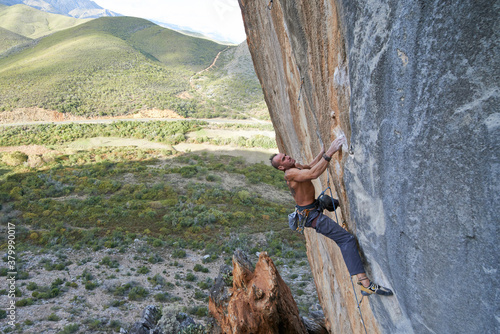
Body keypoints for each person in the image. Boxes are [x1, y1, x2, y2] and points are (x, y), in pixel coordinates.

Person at [270, 136, 393, 296]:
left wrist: (321, 152)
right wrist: (330, 152)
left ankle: (344, 207)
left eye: (285, 155)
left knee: (327, 200)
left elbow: (309, 166)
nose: (288, 157)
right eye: (284, 159)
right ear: (281, 168)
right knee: (346, 239)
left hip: (314, 206)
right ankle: (365, 284)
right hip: (312, 216)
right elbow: (313, 174)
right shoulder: (290, 174)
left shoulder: (296, 166)